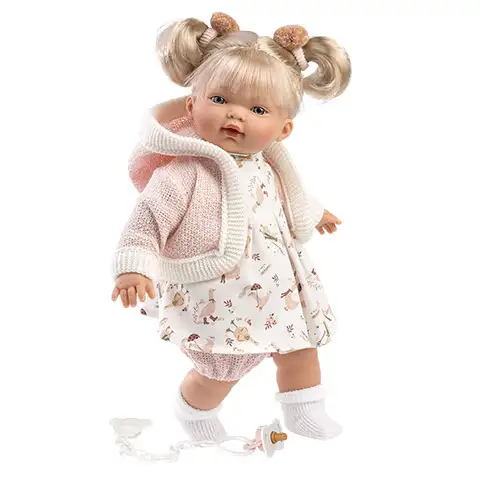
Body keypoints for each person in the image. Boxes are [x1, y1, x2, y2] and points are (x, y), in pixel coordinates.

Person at [111, 12, 351, 444]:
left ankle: (304, 410)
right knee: (221, 370)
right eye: (220, 99)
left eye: (257, 110)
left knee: (300, 347)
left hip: (278, 286)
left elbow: (285, 197)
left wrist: (315, 212)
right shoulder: (183, 173)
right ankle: (194, 408)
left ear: (283, 129)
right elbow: (147, 220)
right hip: (216, 293)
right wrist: (133, 266)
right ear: (192, 105)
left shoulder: (269, 164)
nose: (235, 116)